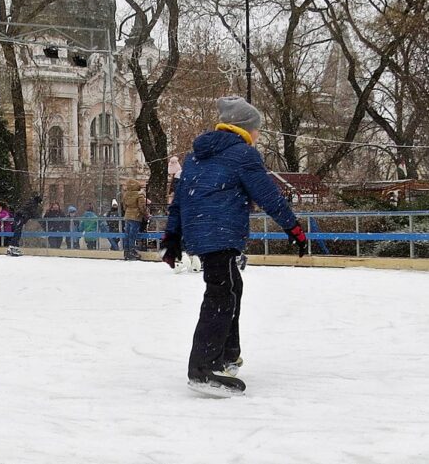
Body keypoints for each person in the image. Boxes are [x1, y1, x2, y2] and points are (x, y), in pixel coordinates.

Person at [160, 96, 308, 396]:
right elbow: (269, 195)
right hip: (220, 232)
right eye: (257, 130)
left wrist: (172, 238)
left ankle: (227, 353)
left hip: (201, 230)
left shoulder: (196, 156)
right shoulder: (243, 154)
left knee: (231, 287)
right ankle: (203, 367)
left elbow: (181, 200)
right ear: (244, 128)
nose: (258, 135)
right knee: (221, 294)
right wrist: (293, 227)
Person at [6, 193, 43, 257]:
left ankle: (13, 247)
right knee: (17, 233)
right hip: (20, 217)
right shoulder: (33, 204)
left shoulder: (30, 202)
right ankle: (12, 247)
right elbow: (33, 212)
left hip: (20, 217)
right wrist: (40, 217)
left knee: (17, 233)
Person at [121, 180, 147, 260]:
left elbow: (124, 207)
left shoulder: (126, 195)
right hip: (136, 216)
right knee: (133, 235)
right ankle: (132, 251)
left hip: (127, 216)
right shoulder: (139, 195)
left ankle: (126, 251)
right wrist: (146, 214)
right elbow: (142, 207)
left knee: (127, 234)